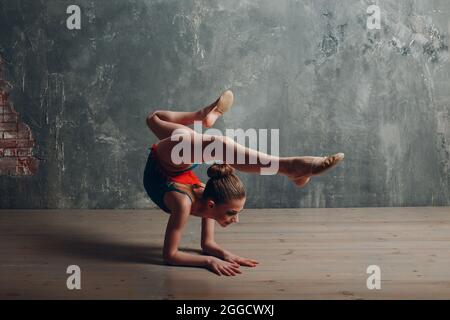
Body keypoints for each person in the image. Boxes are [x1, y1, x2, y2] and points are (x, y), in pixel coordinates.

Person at [143, 90, 344, 276]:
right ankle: (288, 167)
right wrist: (209, 262)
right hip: (167, 166)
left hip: (168, 165)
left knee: (156, 120)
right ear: (212, 204)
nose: (236, 219)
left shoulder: (197, 201)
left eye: (235, 213)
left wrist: (224, 254)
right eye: (232, 212)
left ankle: (201, 116)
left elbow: (206, 244)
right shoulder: (196, 203)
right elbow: (171, 256)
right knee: (196, 137)